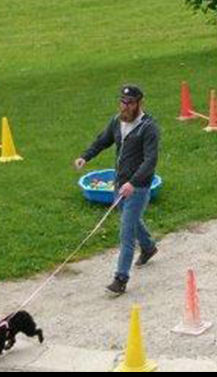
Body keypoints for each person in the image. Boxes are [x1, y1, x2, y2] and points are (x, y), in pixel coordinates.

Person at [74, 85, 160, 296]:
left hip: (137, 187)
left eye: (129, 103)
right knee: (131, 220)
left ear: (140, 103)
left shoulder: (148, 128)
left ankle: (120, 278)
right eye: (122, 101)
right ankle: (148, 247)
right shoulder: (117, 121)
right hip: (119, 183)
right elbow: (102, 141)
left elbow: (151, 161)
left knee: (126, 231)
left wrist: (133, 182)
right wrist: (85, 156)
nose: (125, 106)